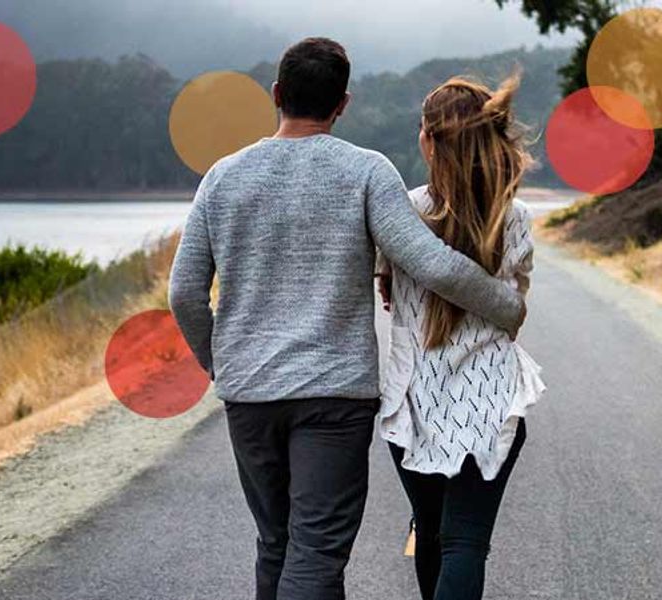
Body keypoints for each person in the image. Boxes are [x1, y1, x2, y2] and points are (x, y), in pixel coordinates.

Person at [167, 37, 526, 600]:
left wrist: (220, 365)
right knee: (314, 554)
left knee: (276, 545)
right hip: (333, 400)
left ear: (277, 94)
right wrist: (508, 306)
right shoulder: (365, 172)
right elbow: (431, 263)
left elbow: (185, 292)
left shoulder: (222, 177)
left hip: (249, 397)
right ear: (343, 103)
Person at [375, 75, 545, 600]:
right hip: (491, 401)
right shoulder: (513, 217)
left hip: (415, 404)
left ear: (428, 139)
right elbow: (517, 302)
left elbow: (386, 291)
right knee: (465, 542)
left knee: (430, 533)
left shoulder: (400, 211)